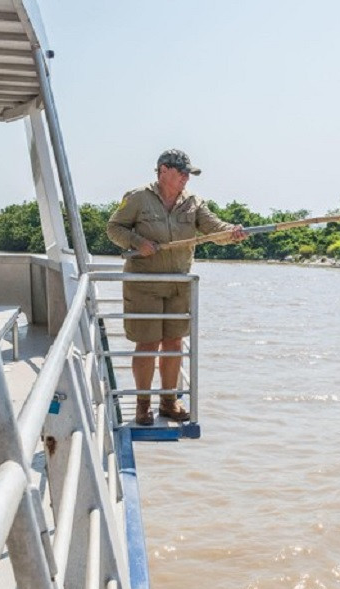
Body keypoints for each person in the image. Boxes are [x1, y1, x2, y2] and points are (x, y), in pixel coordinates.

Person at [105, 149, 246, 424]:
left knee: (173, 344)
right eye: (181, 172)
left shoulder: (194, 202)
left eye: (188, 174)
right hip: (144, 284)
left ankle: (169, 401)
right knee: (147, 344)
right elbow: (114, 229)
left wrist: (232, 233)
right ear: (163, 170)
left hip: (179, 285)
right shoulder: (137, 197)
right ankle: (143, 405)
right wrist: (138, 243)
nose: (185, 178)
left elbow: (215, 229)